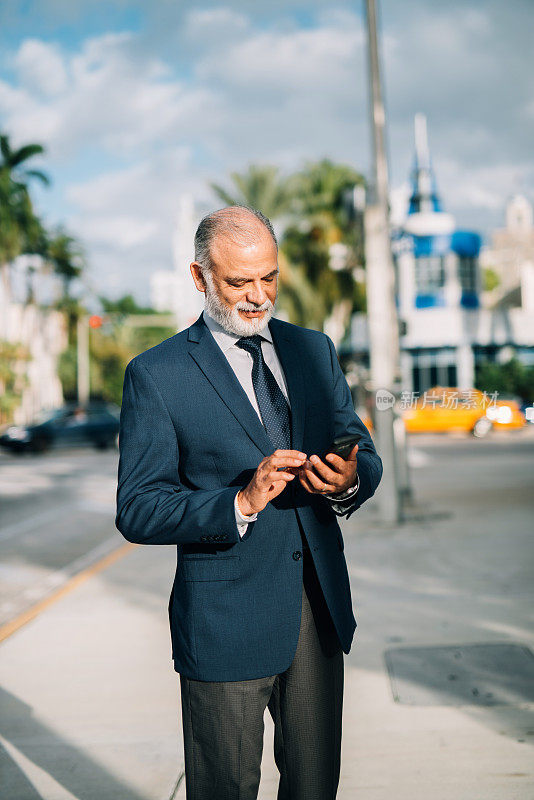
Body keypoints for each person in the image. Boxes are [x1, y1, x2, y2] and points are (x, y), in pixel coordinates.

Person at [116, 206, 382, 800]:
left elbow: (363, 450)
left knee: (316, 788)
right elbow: (137, 507)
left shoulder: (314, 350)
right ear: (199, 276)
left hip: (317, 610)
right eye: (238, 282)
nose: (258, 295)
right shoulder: (156, 374)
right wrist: (240, 500)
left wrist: (346, 478)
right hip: (223, 623)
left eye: (269, 277)